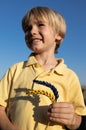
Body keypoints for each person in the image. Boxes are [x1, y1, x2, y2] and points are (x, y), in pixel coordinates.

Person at [0, 6, 86, 130]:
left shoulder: (70, 76)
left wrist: (73, 120)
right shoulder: (15, 70)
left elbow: (80, 118)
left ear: (58, 35)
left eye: (40, 25)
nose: (32, 31)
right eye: (28, 28)